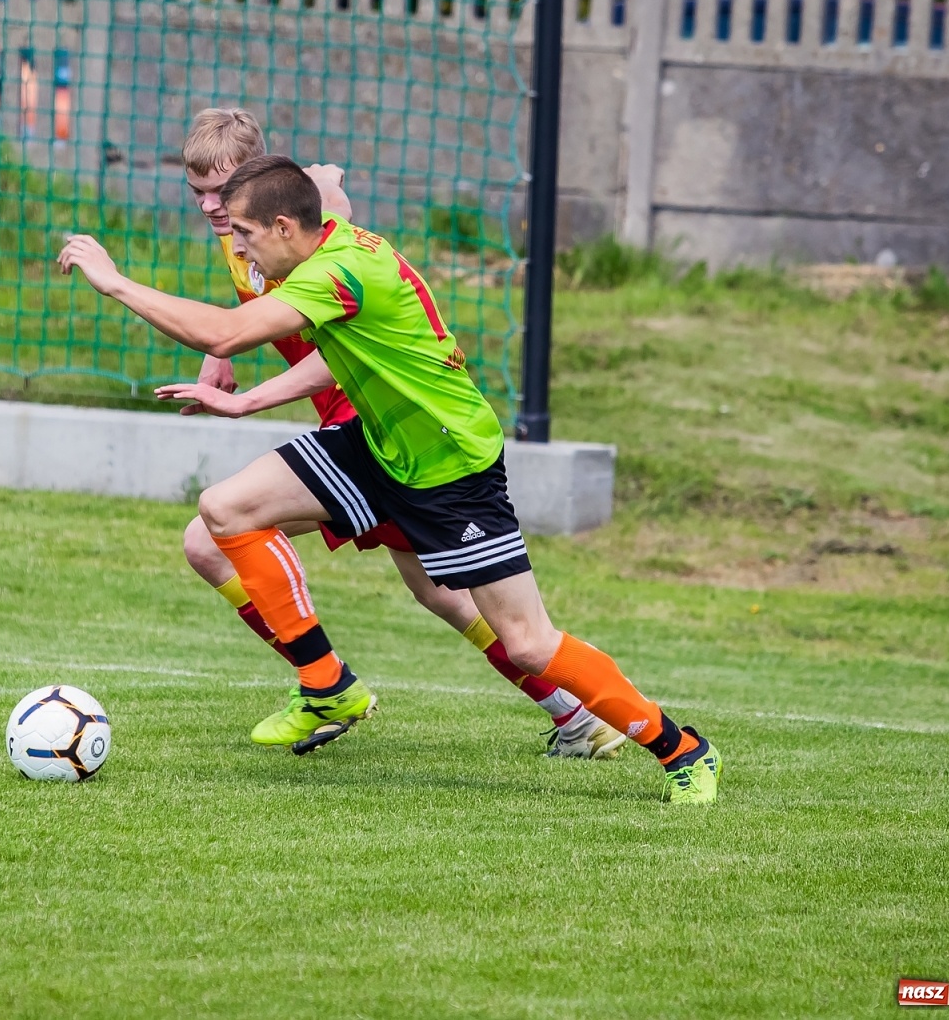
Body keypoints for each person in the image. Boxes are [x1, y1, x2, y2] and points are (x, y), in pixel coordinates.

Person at [59, 155, 722, 803]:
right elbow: (326, 194)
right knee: (224, 510)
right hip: (377, 445)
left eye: (247, 235)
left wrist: (115, 282)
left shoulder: (336, 272)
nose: (243, 253)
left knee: (527, 642)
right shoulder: (329, 240)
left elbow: (228, 334)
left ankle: (681, 749)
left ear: (286, 228)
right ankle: (326, 684)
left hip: (450, 466)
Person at [157, 109, 623, 760]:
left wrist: (250, 392)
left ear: (260, 180)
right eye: (197, 193)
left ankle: (326, 683)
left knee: (216, 538)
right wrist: (223, 354)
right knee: (438, 590)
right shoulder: (242, 229)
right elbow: (257, 297)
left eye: (222, 190)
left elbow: (341, 318)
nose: (211, 206)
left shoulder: (299, 213)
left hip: (375, 424)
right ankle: (573, 712)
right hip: (354, 422)